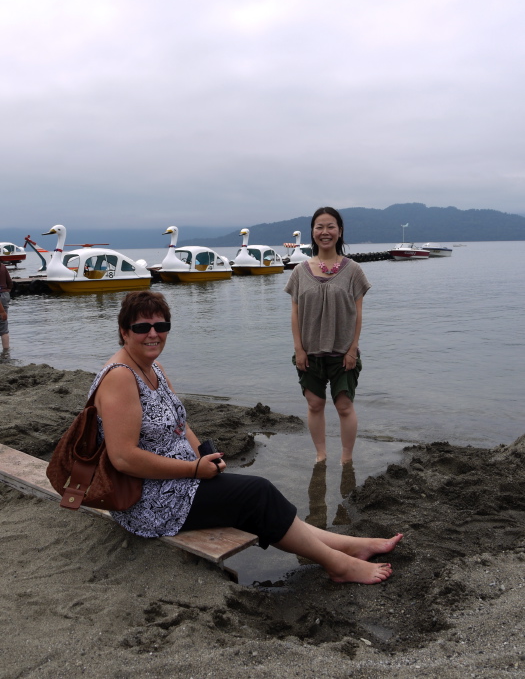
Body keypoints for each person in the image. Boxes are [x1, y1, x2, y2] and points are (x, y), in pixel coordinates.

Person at [92, 290, 402, 584]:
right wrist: (193, 469)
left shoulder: (152, 367)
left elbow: (179, 425)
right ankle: (340, 565)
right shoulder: (120, 376)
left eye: (161, 325)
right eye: (142, 326)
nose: (153, 333)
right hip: (148, 501)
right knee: (257, 494)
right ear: (124, 331)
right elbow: (123, 458)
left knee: (257, 498)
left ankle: (348, 546)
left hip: (179, 482)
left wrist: (202, 454)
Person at [284, 207, 371, 464]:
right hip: (310, 352)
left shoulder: (353, 270)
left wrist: (353, 348)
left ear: (339, 231)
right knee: (314, 405)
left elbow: (358, 314)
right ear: (312, 232)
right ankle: (321, 454)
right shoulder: (300, 271)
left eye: (330, 226)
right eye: (319, 227)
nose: (325, 232)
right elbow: (295, 313)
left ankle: (346, 457)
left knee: (344, 406)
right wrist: (299, 349)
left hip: (343, 352)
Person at [0, 262, 13, 351]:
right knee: (4, 326)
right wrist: (7, 290)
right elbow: (10, 282)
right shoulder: (2, 266)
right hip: (4, 294)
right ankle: (6, 353)